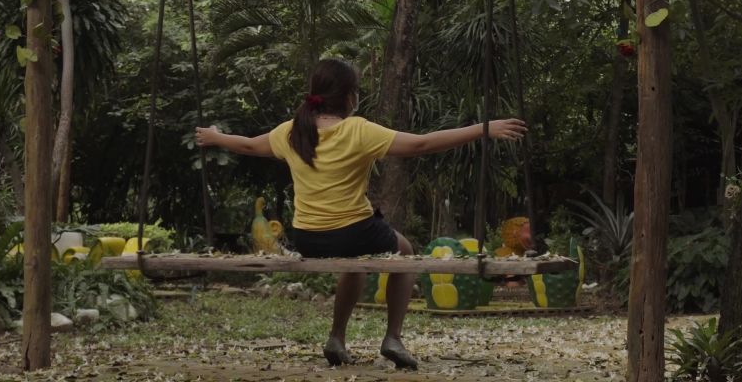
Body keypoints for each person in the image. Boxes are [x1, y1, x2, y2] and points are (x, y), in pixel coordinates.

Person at [195, 58, 527, 369]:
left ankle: (336, 339)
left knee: (355, 263)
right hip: (353, 230)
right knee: (406, 252)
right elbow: (421, 145)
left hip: (307, 237)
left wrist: (215, 136)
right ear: (350, 97)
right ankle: (393, 337)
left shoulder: (292, 131)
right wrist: (483, 128)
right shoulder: (358, 130)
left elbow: (251, 146)